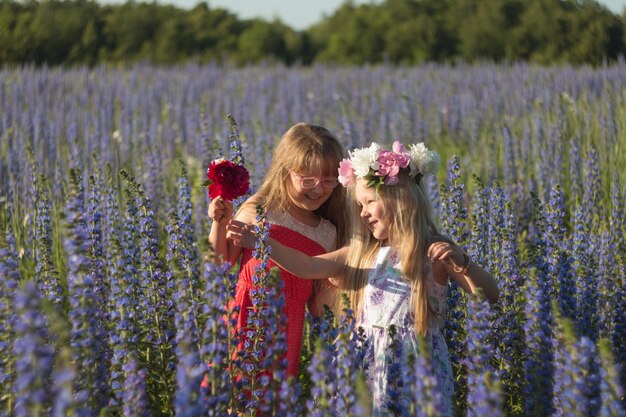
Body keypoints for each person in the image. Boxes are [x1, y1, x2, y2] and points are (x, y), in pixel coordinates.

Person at [226, 140, 499, 416]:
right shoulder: (363, 253)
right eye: (359, 204)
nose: (363, 212)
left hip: (418, 369)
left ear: (400, 199)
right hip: (368, 366)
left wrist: (462, 262)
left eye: (370, 202)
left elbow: (489, 295)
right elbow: (306, 266)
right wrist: (262, 241)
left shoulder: (432, 252)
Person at [208, 122, 349, 378]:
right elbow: (220, 263)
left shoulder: (328, 233)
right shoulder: (259, 209)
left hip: (287, 336)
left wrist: (341, 279)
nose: (319, 189)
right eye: (308, 180)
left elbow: (318, 307)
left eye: (329, 181)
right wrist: (219, 223)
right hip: (244, 324)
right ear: (286, 171)